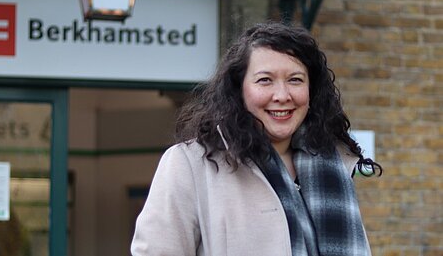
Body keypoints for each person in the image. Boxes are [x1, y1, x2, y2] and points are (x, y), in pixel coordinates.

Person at [131, 21, 382, 256]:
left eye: (295, 80)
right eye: (265, 80)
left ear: (311, 90)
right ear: (239, 89)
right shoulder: (190, 164)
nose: (282, 95)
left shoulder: (335, 166)